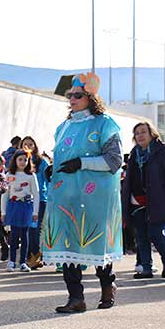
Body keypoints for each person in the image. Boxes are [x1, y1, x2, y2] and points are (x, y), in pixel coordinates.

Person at [43, 73, 123, 313]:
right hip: (65, 196)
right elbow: (61, 155)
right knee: (68, 245)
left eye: (78, 95)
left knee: (94, 241)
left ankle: (108, 286)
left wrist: (82, 163)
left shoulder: (105, 124)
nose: (72, 100)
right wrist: (52, 168)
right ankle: (75, 298)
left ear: (90, 98)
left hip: (94, 198)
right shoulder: (64, 126)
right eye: (70, 96)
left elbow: (114, 160)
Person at [121, 121, 165, 279]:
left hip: (158, 201)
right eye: (137, 133)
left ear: (152, 134)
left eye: (143, 132)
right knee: (141, 236)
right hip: (138, 202)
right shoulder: (135, 153)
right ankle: (146, 268)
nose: (140, 135)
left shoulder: (164, 152)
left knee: (155, 233)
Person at [2, 149, 39, 272]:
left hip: (26, 206)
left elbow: (36, 194)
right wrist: (3, 212)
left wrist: (35, 212)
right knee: (14, 235)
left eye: (25, 159)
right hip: (14, 206)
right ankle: (11, 261)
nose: (23, 162)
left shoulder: (31, 176)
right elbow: (4, 194)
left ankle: (23, 262)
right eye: (20, 159)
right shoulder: (9, 175)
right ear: (15, 160)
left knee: (25, 235)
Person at [19, 136, 51, 269]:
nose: (28, 147)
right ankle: (27, 256)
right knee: (26, 228)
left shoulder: (41, 162)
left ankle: (36, 255)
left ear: (35, 146)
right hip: (24, 199)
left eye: (30, 144)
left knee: (35, 228)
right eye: (25, 144)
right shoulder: (20, 161)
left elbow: (48, 179)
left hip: (40, 199)